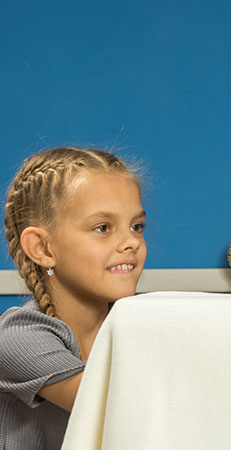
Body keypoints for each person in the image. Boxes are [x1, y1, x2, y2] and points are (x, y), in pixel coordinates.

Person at [0, 148, 146, 449]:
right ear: (42, 249)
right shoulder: (17, 338)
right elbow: (122, 410)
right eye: (102, 228)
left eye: (137, 226)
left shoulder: (140, 326)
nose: (131, 241)